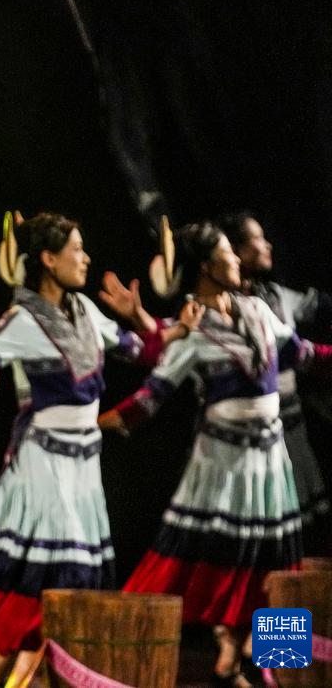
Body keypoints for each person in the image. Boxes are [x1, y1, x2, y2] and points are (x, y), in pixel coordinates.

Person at [0, 212, 197, 686]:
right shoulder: (25, 318)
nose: (86, 258)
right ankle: (5, 673)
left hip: (83, 466)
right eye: (76, 249)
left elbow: (141, 350)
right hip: (43, 464)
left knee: (57, 579)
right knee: (59, 575)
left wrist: (160, 324)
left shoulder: (86, 310)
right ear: (49, 260)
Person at [99, 221, 332, 687]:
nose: (237, 259)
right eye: (228, 252)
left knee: (276, 566)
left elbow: (305, 354)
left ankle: (267, 668)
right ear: (206, 266)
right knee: (201, 565)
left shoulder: (258, 310)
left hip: (271, 462)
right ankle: (116, 650)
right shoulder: (190, 330)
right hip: (222, 466)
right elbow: (150, 398)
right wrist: (93, 424)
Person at [218, 211, 332, 547]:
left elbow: (316, 314)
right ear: (237, 251)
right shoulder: (222, 310)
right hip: (248, 441)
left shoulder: (273, 297)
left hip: (292, 431)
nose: (267, 245)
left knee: (304, 534)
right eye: (257, 238)